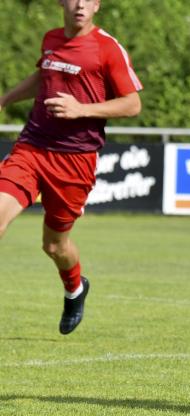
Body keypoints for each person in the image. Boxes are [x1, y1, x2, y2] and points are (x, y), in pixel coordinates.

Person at [0, 0, 142, 334]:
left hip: (74, 160)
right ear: (62, 2)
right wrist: (5, 99)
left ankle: (75, 289)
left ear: (97, 5)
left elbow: (132, 104)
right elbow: (42, 76)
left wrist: (81, 109)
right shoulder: (51, 38)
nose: (80, 4)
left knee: (54, 245)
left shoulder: (107, 48)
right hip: (32, 147)